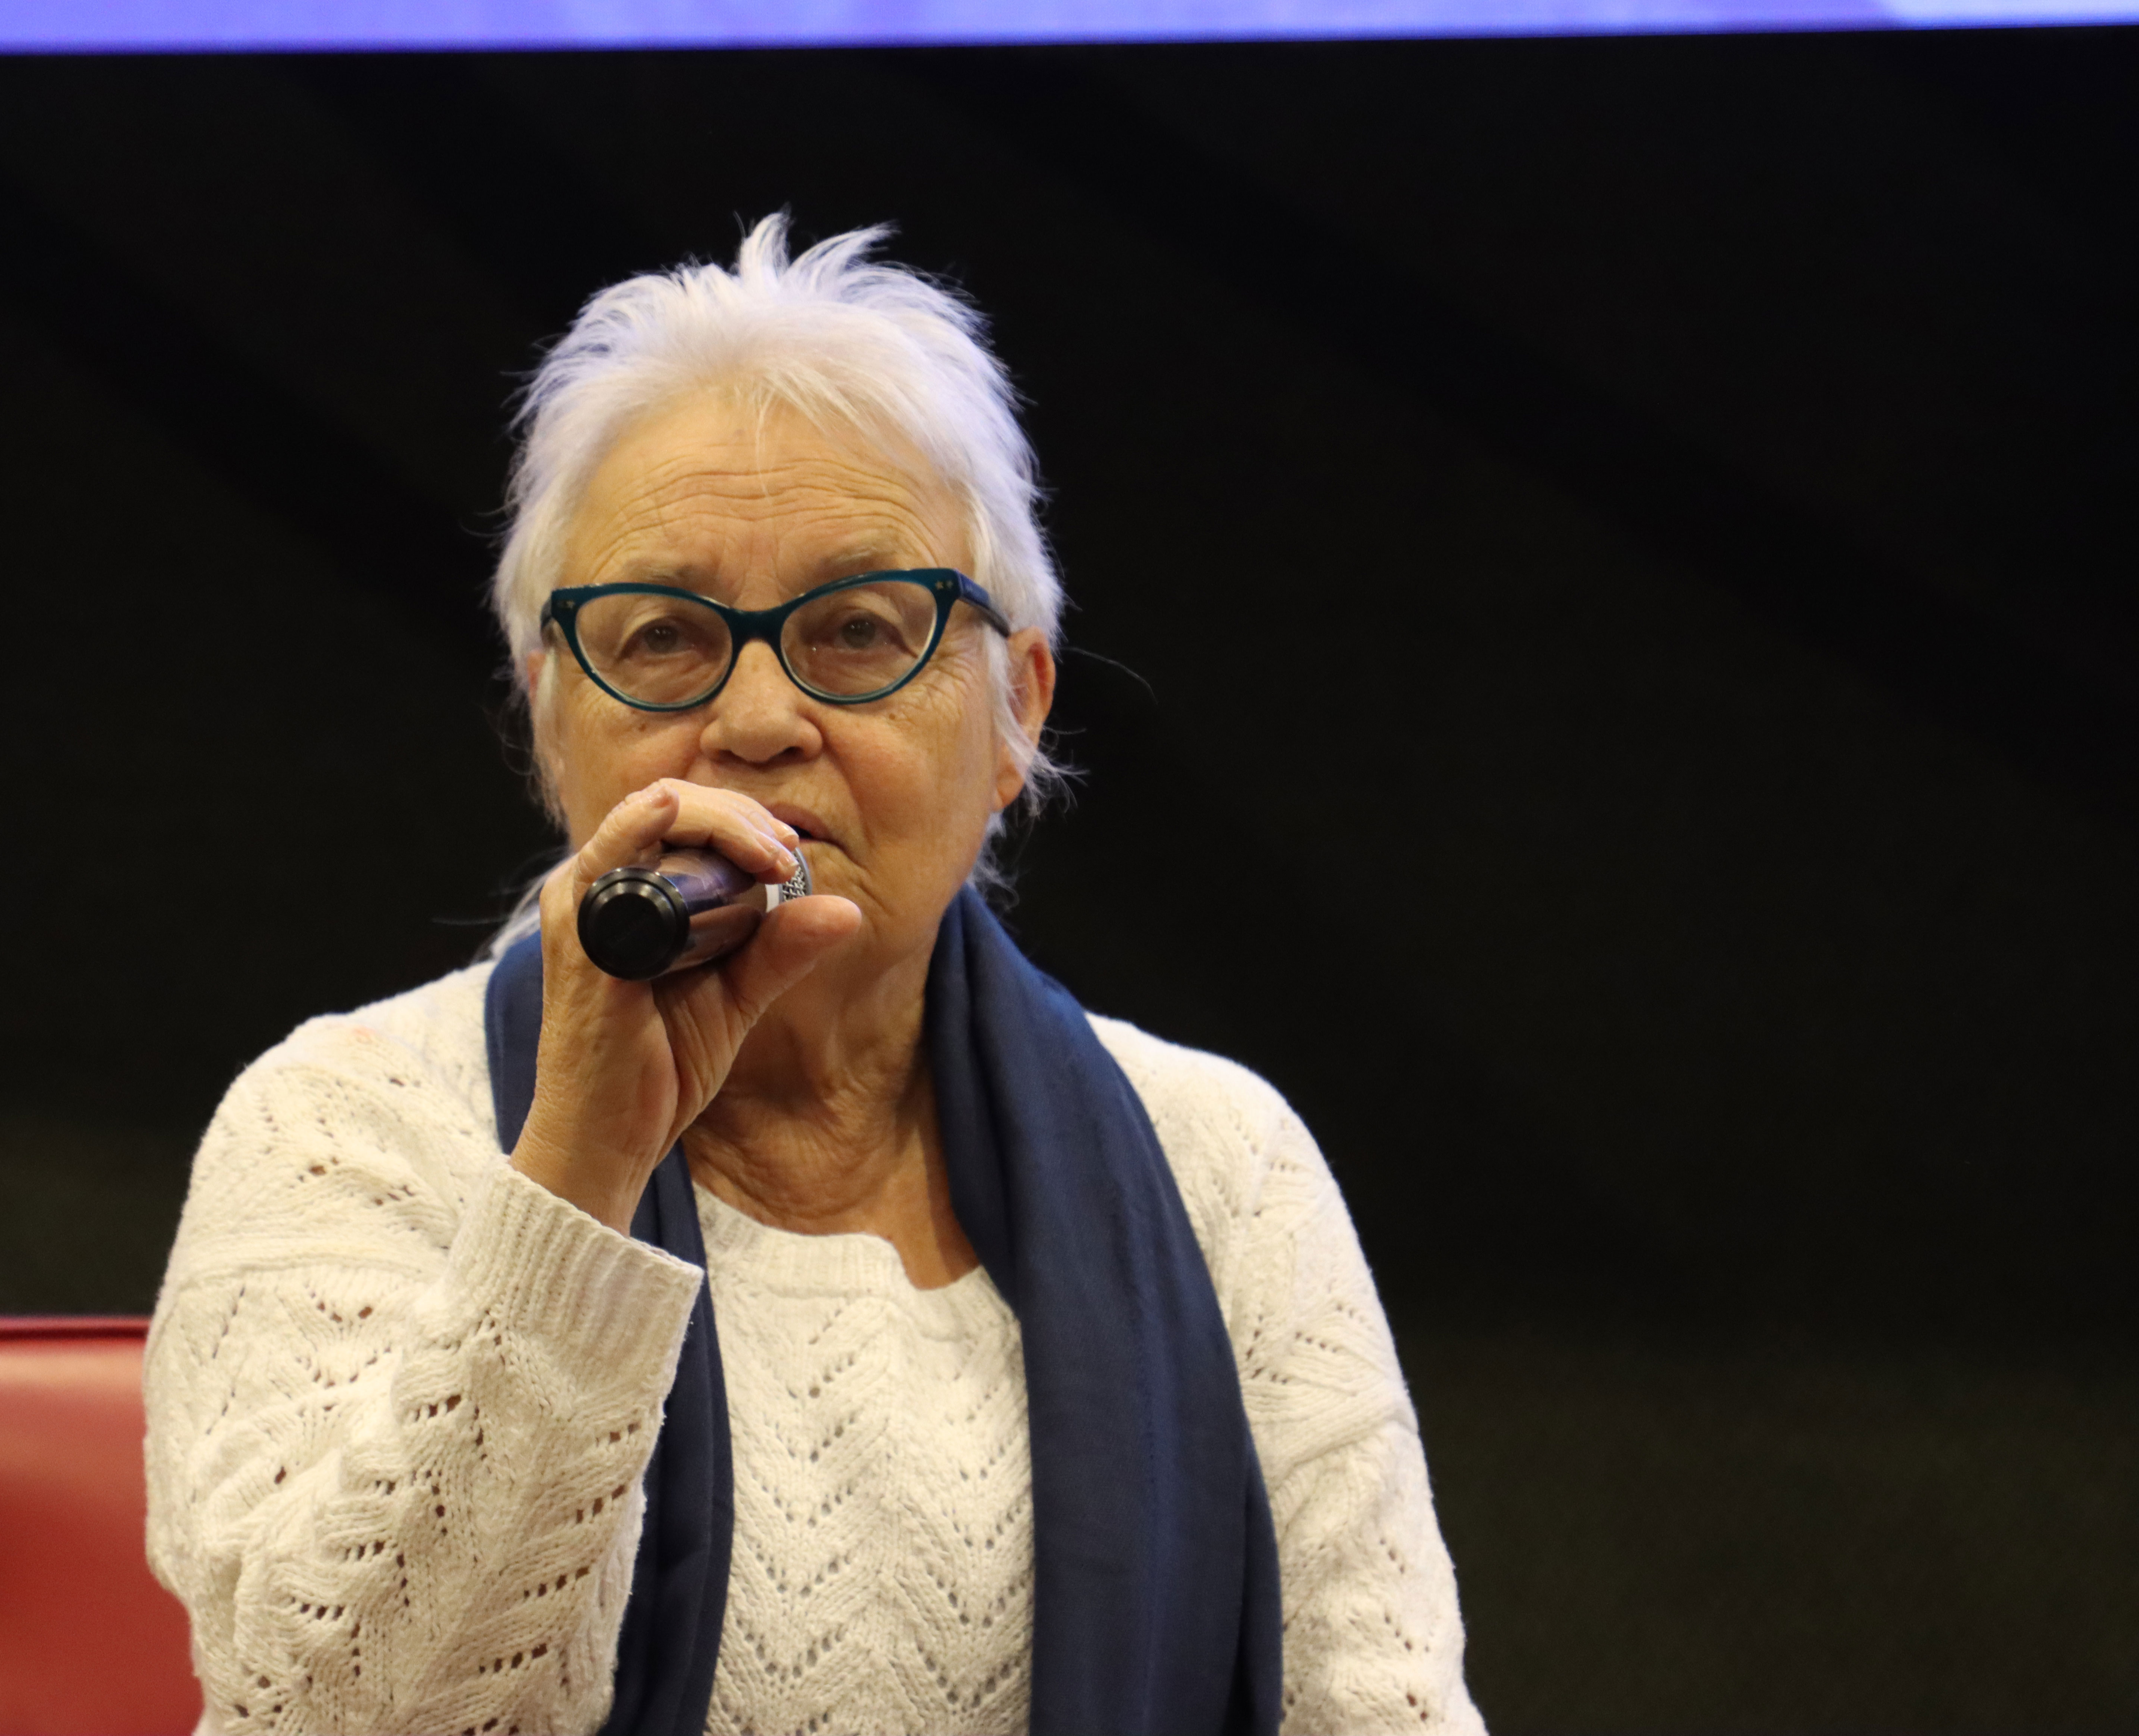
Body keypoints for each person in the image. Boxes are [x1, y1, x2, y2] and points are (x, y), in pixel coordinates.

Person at [144, 216, 1483, 1736]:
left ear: (1018, 711)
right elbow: (328, 1715)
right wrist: (576, 1178)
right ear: (550, 720)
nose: (760, 717)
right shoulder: (345, 1124)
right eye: (664, 637)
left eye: (857, 631)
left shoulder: (1221, 1164)